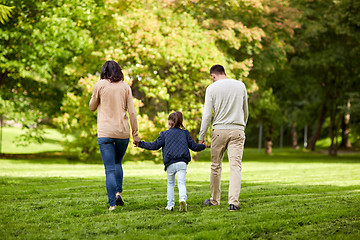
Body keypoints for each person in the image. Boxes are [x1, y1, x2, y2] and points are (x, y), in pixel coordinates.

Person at [89, 60, 139, 211]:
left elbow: (91, 107)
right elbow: (132, 112)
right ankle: (118, 193)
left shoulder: (100, 85)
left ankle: (112, 205)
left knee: (110, 169)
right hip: (122, 132)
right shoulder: (125, 86)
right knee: (118, 163)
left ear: (103, 71)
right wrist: (135, 134)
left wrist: (95, 95)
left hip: (105, 132)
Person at [198, 64, 248, 211]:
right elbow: (245, 111)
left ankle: (214, 200)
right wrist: (241, 126)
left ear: (213, 76)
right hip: (238, 130)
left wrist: (201, 137)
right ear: (224, 73)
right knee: (235, 167)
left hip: (219, 130)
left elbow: (207, 115)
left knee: (215, 166)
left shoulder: (211, 88)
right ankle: (233, 202)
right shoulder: (241, 86)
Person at [134, 111, 206, 212]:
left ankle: (170, 205)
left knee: (171, 184)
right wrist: (203, 146)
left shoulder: (164, 134)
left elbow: (154, 146)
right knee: (181, 183)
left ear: (169, 122)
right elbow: (194, 147)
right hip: (182, 163)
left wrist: (140, 144)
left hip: (170, 163)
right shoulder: (185, 133)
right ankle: (182, 199)